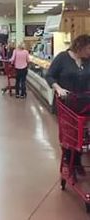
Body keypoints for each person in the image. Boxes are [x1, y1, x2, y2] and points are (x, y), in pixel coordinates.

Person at [46, 34, 90, 175]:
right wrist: (58, 88)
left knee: (81, 134)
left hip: (84, 103)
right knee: (70, 133)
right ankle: (71, 161)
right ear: (80, 46)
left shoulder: (87, 60)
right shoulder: (62, 58)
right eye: (88, 48)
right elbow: (50, 75)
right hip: (67, 103)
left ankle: (76, 162)